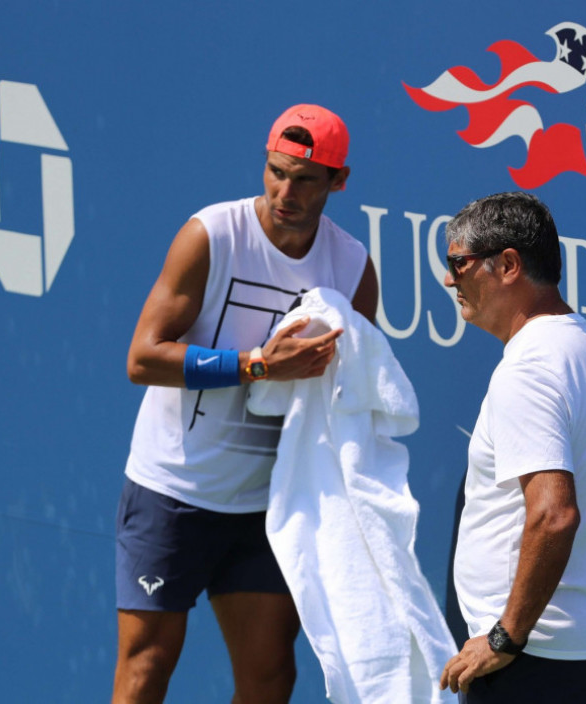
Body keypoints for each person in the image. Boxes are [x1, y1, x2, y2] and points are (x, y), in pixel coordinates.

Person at [112, 104, 378, 704]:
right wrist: (256, 365)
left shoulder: (353, 267)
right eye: (276, 171)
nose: (286, 191)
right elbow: (142, 359)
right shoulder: (211, 235)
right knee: (146, 667)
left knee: (270, 678)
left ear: (339, 181)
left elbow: (357, 393)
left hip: (268, 507)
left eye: (306, 179)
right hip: (173, 491)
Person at [438, 192, 586, 703]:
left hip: (533, 664)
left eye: (458, 263)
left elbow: (554, 514)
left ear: (507, 265)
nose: (449, 280)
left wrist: (507, 635)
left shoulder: (529, 369)